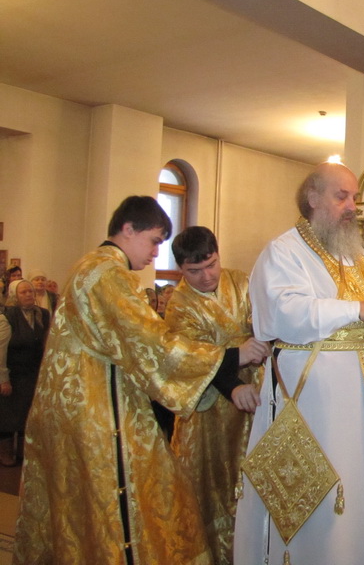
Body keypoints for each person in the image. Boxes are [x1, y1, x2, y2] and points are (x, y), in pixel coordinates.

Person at [13, 195, 268, 565]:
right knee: (125, 503)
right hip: (97, 410)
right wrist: (233, 356)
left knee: (83, 511)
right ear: (128, 229)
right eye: (153, 241)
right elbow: (151, 343)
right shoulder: (107, 274)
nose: (154, 253)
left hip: (80, 403)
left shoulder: (93, 267)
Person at [237, 162, 364, 565]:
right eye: (342, 196)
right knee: (325, 510)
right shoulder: (284, 252)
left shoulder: (355, 253)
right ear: (313, 198)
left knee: (363, 496)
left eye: (355, 197)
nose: (353, 206)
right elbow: (283, 312)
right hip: (319, 411)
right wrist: (360, 309)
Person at [165, 226, 263, 565]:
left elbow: (261, 322)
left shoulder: (240, 281)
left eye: (212, 264)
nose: (207, 276)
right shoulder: (179, 306)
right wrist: (233, 383)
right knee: (209, 488)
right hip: (208, 413)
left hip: (253, 398)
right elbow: (191, 358)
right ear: (181, 269)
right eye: (195, 271)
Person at [0, 280, 50, 467]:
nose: (29, 294)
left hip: (32, 373)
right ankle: (5, 452)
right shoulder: (7, 316)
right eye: (23, 292)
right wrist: (3, 379)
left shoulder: (42, 314)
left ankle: (24, 452)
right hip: (13, 373)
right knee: (8, 416)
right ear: (15, 296)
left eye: (30, 291)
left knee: (28, 414)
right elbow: (1, 351)